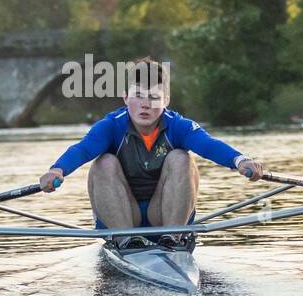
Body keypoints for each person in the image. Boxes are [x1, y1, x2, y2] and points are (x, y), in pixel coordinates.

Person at [38, 57, 267, 248]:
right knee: (103, 162)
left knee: (181, 158)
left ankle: (173, 239)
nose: (145, 104)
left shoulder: (178, 125)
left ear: (165, 101)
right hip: (125, 214)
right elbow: (82, 149)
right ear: (125, 97)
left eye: (154, 97)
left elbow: (208, 145)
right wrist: (57, 170)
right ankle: (126, 240)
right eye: (138, 96)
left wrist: (240, 160)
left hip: (165, 214)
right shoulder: (111, 125)